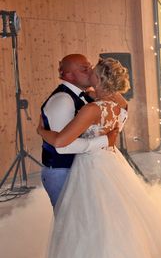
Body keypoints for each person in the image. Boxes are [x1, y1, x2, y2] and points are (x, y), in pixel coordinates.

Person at [37, 58, 161, 258]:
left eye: (90, 70)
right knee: (115, 227)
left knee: (83, 231)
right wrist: (106, 141)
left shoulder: (93, 108)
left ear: (99, 80)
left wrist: (41, 131)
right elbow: (110, 117)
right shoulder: (120, 104)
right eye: (84, 69)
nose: (87, 72)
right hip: (112, 165)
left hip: (91, 168)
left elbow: (60, 142)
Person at [40, 54, 118, 210]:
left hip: (82, 168)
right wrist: (105, 141)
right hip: (62, 171)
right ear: (68, 75)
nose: (90, 71)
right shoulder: (63, 99)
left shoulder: (88, 97)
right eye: (84, 68)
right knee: (70, 224)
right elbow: (62, 146)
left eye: (89, 66)